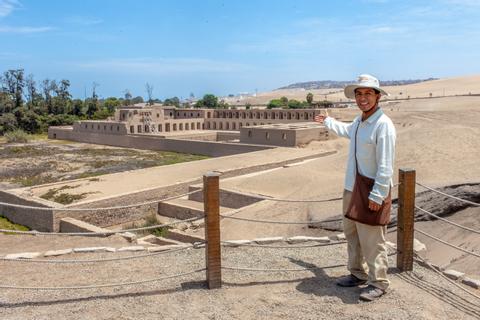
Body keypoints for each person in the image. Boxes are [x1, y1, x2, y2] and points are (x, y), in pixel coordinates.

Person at [314, 74, 396, 302]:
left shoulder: (383, 125)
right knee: (352, 234)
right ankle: (357, 274)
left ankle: (378, 282)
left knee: (372, 238)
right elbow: (346, 130)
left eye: (368, 93)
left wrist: (378, 194)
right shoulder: (360, 122)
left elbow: (386, 165)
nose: (363, 98)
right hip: (352, 188)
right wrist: (327, 122)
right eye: (359, 94)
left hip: (371, 190)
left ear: (377, 96)